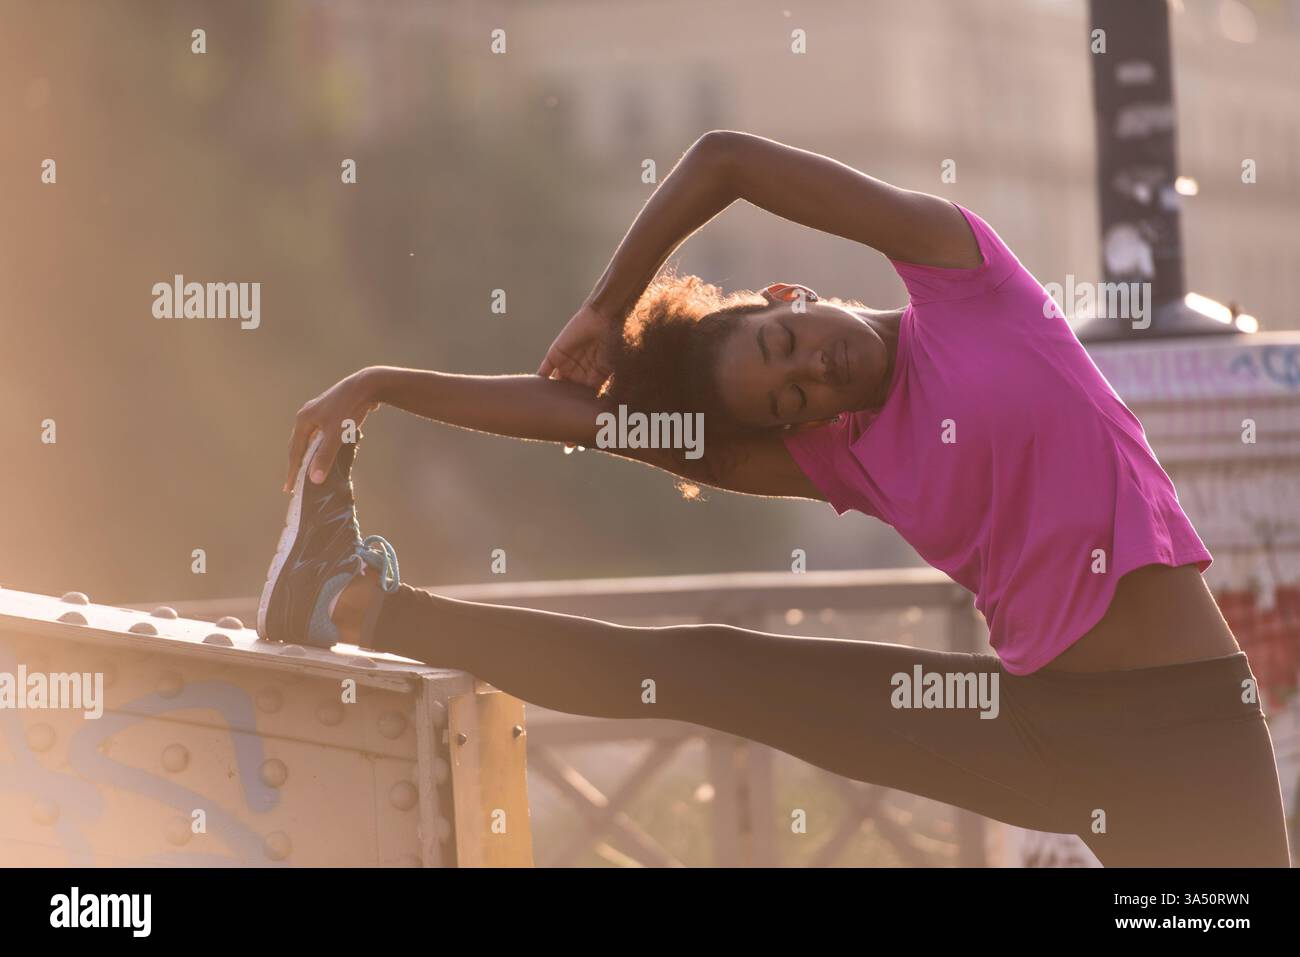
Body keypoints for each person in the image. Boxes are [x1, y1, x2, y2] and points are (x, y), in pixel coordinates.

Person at [257, 130, 1291, 867]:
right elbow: (588, 422)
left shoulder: (967, 280)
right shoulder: (843, 455)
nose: (815, 374)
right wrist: (384, 388)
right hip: (1033, 725)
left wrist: (607, 307)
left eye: (784, 345)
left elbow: (726, 161)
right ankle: (352, 603)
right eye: (790, 397)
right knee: (703, 668)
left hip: (1191, 724)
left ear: (787, 297)